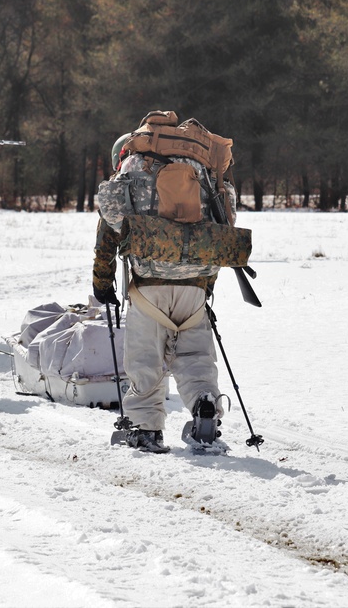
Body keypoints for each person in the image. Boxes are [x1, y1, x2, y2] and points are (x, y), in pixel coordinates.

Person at [94, 112, 246, 453]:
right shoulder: (203, 173)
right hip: (194, 287)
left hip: (149, 285)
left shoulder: (130, 176)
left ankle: (146, 429)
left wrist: (102, 284)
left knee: (145, 360)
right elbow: (223, 229)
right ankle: (204, 405)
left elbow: (107, 235)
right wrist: (205, 285)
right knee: (195, 357)